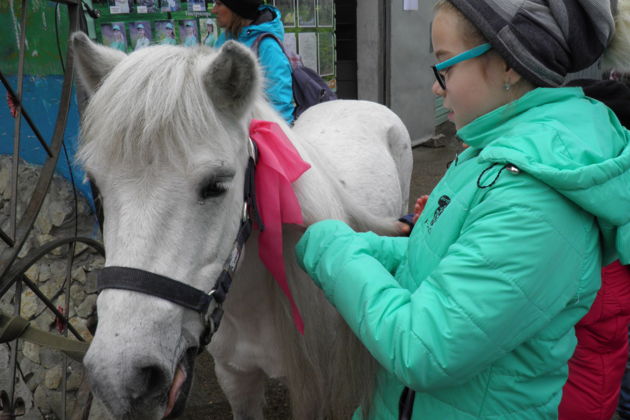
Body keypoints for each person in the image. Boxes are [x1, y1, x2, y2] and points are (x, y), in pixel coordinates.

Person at [295, 1, 630, 419]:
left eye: (446, 67)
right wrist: (361, 244)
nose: (437, 87)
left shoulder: (536, 199)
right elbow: (439, 255)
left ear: (510, 64)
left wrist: (329, 245)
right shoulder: (488, 155)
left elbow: (425, 348)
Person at [212, 0, 295, 124]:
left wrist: (265, 139)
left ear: (237, 9)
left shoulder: (267, 47)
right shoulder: (225, 39)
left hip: (253, 135)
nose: (213, 10)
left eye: (219, 4)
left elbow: (280, 107)